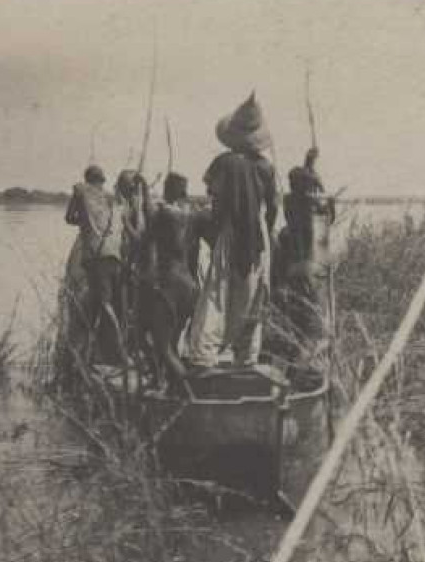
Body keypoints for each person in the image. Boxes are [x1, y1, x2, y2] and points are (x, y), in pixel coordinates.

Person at [197, 93, 279, 367]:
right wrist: (265, 233)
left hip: (230, 231)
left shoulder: (223, 163)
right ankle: (246, 356)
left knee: (217, 290)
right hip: (257, 235)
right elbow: (273, 207)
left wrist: (214, 232)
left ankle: (205, 354)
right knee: (254, 293)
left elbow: (216, 201)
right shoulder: (266, 167)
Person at [64, 164, 139, 372]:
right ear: (104, 181)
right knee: (113, 304)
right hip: (116, 258)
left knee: (105, 305)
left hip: (96, 259)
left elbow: (69, 218)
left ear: (87, 179)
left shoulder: (80, 191)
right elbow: (129, 232)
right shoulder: (114, 200)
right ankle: (105, 353)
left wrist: (84, 223)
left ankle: (120, 354)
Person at [136, 173, 204, 389]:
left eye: (166, 185)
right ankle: (161, 382)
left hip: (171, 283)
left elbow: (145, 234)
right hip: (190, 285)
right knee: (172, 342)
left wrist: (144, 190)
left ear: (170, 189)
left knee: (161, 345)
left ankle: (188, 394)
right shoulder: (193, 214)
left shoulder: (164, 213)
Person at [268, 147, 326, 366]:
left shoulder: (291, 205)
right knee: (310, 329)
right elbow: (317, 195)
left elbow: (306, 187)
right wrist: (314, 173)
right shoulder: (313, 214)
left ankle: (295, 367)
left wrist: (309, 163)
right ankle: (302, 370)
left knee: (297, 328)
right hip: (306, 275)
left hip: (293, 276)